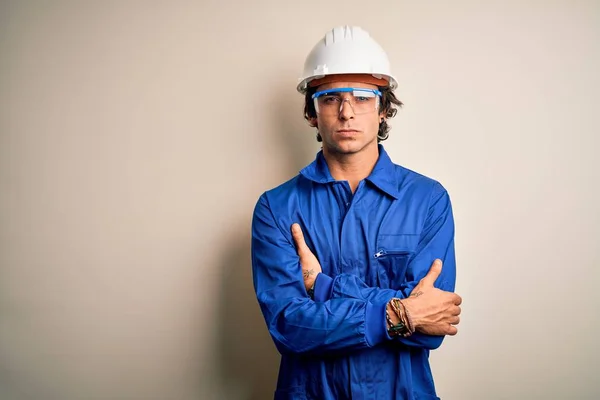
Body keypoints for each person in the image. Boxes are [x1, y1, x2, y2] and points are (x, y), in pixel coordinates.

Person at [251, 25, 462, 400]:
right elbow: (289, 326)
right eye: (330, 98)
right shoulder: (277, 208)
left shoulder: (427, 200)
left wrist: (325, 287)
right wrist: (398, 314)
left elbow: (431, 326)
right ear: (312, 113)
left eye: (363, 98)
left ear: (383, 110)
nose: (346, 112)